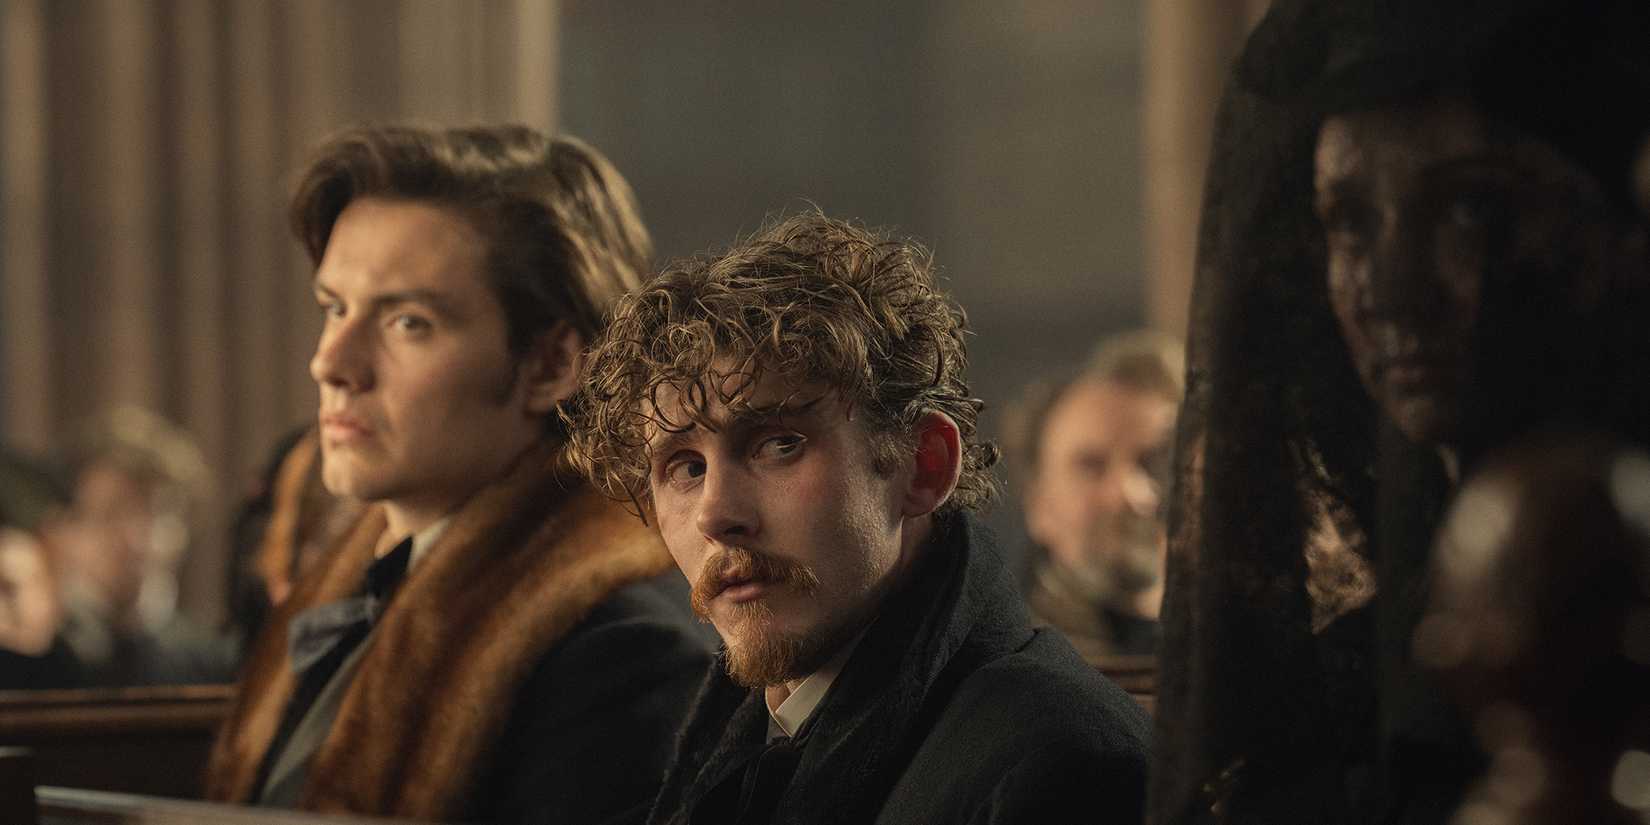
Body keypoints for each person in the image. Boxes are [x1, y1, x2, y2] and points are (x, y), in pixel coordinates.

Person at [1151, 1, 1650, 822]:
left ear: (1603, 235)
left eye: (1465, 210)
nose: (1390, 290)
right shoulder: (1348, 677)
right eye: (1349, 221)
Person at [568, 212, 1152, 825]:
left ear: (923, 466)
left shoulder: (1065, 766)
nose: (715, 514)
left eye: (777, 444)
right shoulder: (742, 745)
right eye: (685, 467)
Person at [204, 124, 714, 825]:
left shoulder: (625, 653)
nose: (333, 362)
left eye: (409, 322)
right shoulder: (361, 586)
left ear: (551, 364)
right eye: (335, 308)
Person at [1009, 330, 1182, 659]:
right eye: (1091, 466)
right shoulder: (1002, 670)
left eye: (1153, 461)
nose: (1129, 494)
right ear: (1038, 503)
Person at [45, 406, 236, 686]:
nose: (137, 539)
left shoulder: (219, 661)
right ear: (63, 530)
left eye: (158, 514)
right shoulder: (34, 657)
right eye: (110, 514)